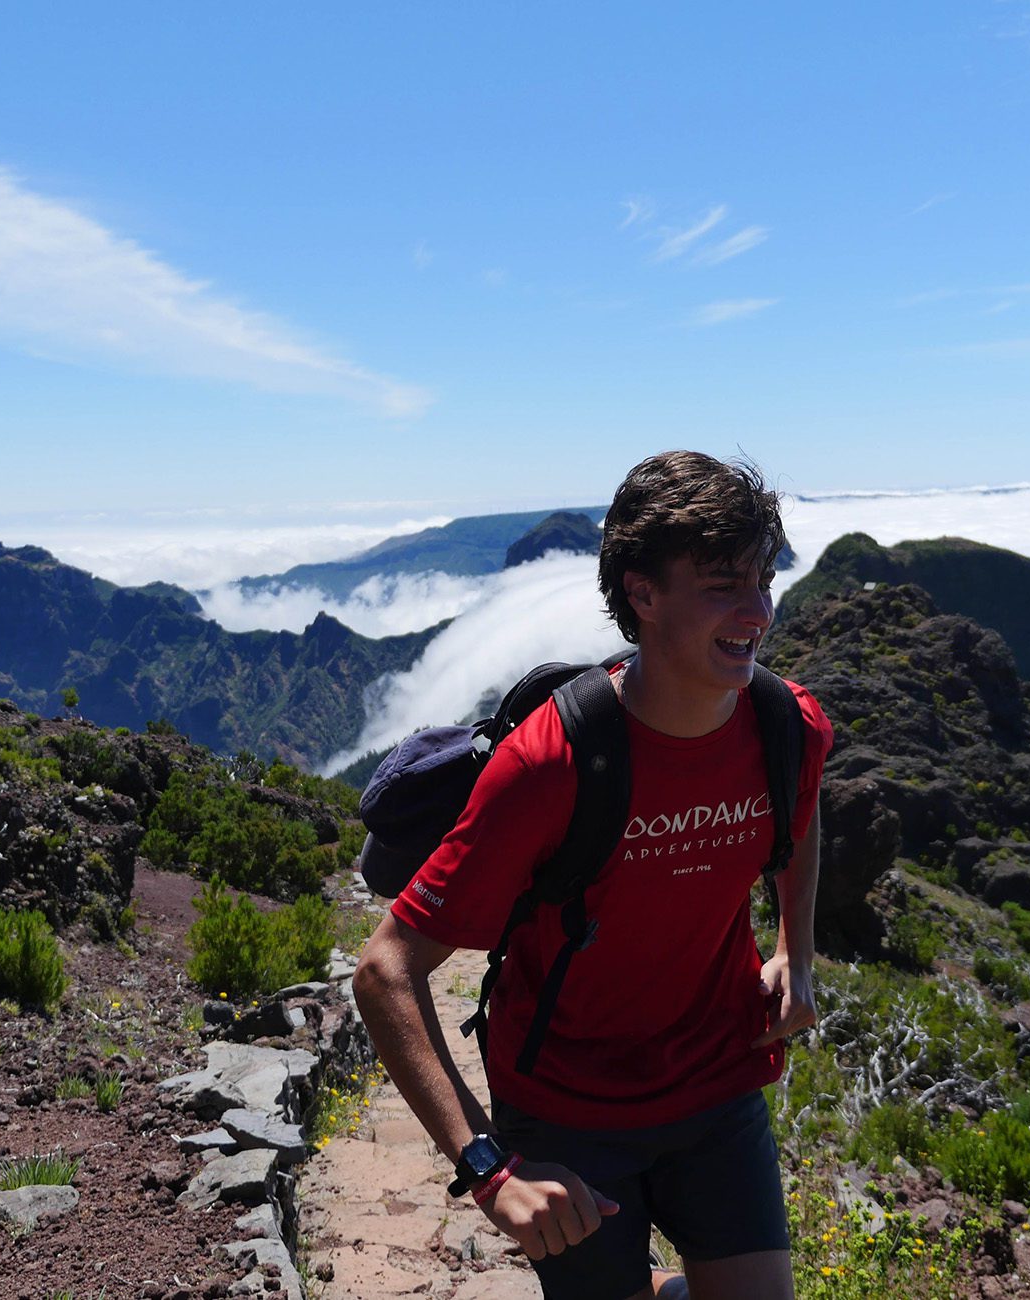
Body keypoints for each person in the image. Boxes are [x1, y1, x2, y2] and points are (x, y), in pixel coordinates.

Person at [353, 451, 834, 1300]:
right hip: (568, 1111)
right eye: (723, 585)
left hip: (716, 1083)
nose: (757, 611)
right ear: (642, 594)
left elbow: (802, 815)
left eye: (763, 580)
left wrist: (797, 951)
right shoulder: (550, 765)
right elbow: (385, 970)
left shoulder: (785, 726)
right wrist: (489, 1169)